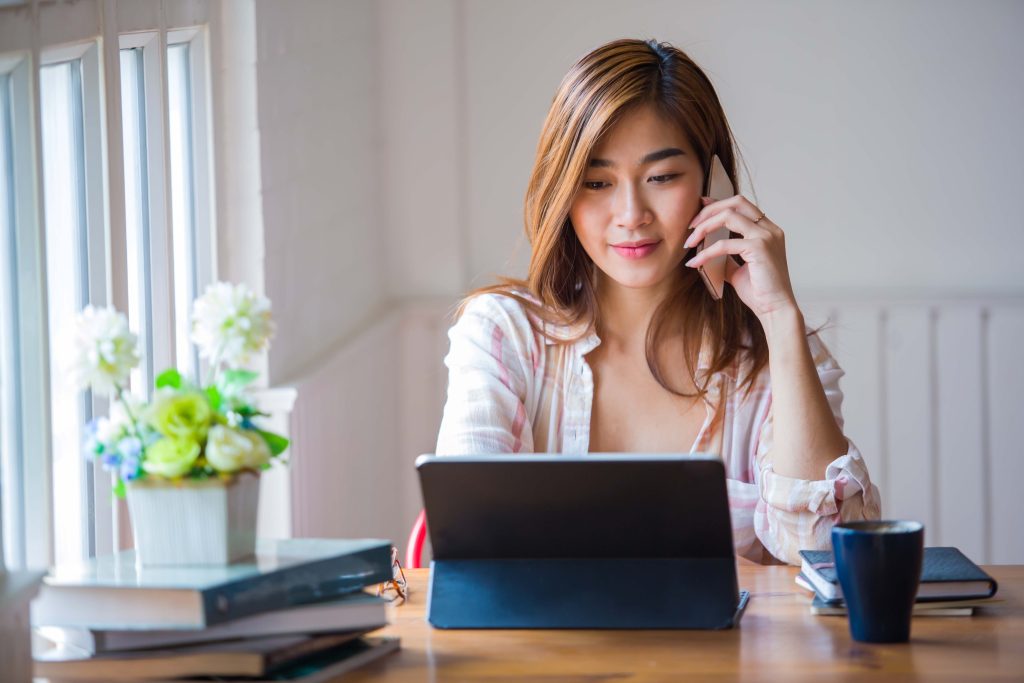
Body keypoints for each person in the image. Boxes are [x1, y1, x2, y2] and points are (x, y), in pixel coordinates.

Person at [433, 38, 880, 565]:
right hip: (552, 648)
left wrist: (780, 319)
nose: (630, 213)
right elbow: (469, 542)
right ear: (564, 193)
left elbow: (826, 551)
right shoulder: (504, 335)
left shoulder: (774, 357)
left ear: (713, 183)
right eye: (597, 182)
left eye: (662, 177)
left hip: (728, 650)